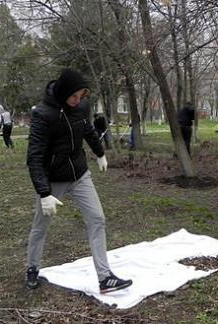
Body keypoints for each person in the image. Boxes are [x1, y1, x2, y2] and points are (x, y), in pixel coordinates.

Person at [25, 68, 132, 293]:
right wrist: (44, 193)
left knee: (97, 218)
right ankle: (32, 268)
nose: (78, 100)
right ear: (64, 92)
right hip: (53, 180)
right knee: (40, 227)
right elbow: (34, 157)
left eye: (81, 96)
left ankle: (105, 278)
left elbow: (88, 131)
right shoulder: (43, 114)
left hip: (80, 175)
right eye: (74, 96)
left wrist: (100, 153)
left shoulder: (80, 107)